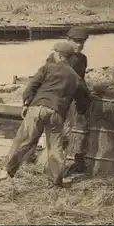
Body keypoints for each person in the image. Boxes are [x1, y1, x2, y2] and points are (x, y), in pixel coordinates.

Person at [0, 42, 90, 187]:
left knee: (23, 142)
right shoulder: (75, 77)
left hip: (36, 108)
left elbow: (31, 87)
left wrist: (26, 104)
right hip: (56, 112)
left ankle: (6, 172)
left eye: (55, 53)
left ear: (60, 56)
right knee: (55, 147)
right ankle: (55, 182)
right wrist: (81, 111)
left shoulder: (46, 68)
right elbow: (84, 97)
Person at [43, 27, 91, 173]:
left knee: (66, 133)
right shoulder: (55, 57)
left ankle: (57, 166)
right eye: (76, 41)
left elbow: (80, 81)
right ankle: (49, 166)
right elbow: (47, 79)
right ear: (68, 40)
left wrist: (83, 101)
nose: (79, 45)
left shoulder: (82, 59)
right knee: (53, 134)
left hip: (70, 101)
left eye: (82, 42)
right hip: (54, 101)